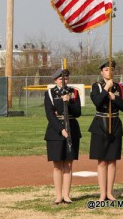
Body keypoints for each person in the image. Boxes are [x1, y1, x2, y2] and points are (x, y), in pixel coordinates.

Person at [89, 61, 123, 201]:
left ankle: (110, 192)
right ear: (101, 72)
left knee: (112, 161)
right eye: (106, 69)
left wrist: (115, 98)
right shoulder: (96, 86)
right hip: (100, 125)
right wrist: (106, 88)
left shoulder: (119, 87)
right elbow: (97, 103)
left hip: (115, 124)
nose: (109, 72)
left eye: (112, 69)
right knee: (101, 161)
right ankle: (102, 193)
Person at [44, 68, 82, 204]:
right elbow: (50, 114)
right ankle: (58, 195)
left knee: (68, 164)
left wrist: (69, 102)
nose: (64, 81)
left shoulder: (74, 92)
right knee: (58, 164)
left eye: (66, 78)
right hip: (56, 131)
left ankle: (67, 195)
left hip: (72, 127)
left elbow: (78, 112)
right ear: (55, 80)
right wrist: (61, 130)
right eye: (61, 79)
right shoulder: (50, 93)